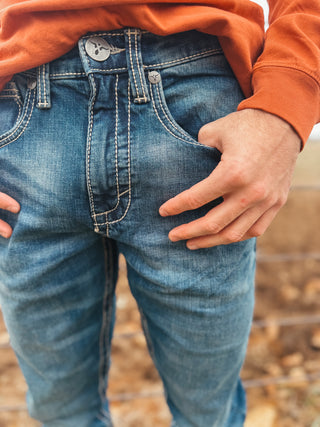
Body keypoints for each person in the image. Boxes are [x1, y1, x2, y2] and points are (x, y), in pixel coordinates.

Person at [0, 1, 318, 426]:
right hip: (22, 113)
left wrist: (286, 103)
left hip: (193, 110)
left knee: (208, 411)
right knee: (61, 413)